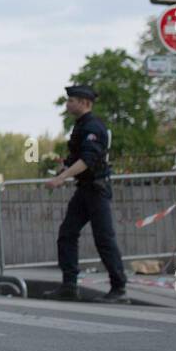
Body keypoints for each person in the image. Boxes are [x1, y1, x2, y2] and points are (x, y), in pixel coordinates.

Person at [47, 84, 127, 302]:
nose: (68, 103)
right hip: (85, 190)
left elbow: (88, 159)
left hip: (96, 190)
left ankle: (119, 288)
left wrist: (61, 178)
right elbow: (76, 158)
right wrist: (63, 169)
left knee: (104, 239)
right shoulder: (81, 125)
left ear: (84, 103)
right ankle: (69, 285)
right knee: (67, 234)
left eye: (71, 100)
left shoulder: (94, 126)